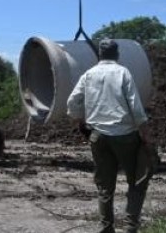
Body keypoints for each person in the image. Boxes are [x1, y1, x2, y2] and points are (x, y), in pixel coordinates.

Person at [67, 38, 153, 233]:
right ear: (117, 54)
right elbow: (136, 107)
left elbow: (72, 102)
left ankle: (107, 228)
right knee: (138, 180)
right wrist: (146, 135)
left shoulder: (88, 75)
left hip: (98, 137)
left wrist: (79, 122)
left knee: (105, 187)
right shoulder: (123, 73)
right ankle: (131, 227)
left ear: (99, 55)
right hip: (125, 136)